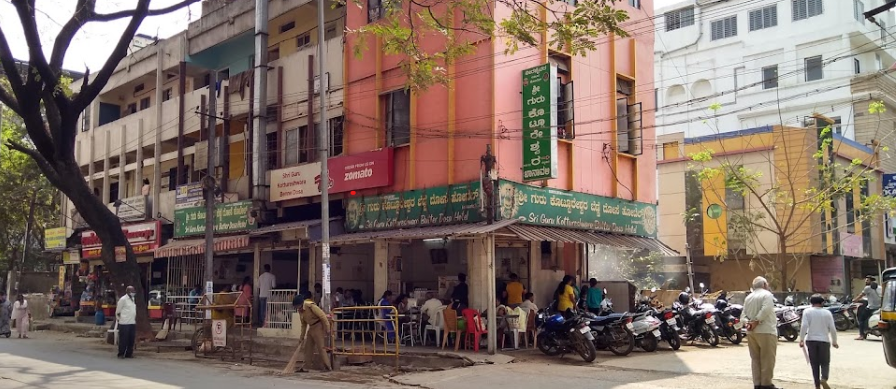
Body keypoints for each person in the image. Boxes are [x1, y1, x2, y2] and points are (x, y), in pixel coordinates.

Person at [740, 276, 779, 389]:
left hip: (751, 332)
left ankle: (757, 383)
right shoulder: (767, 295)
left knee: (755, 359)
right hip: (766, 331)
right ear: (764, 285)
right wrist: (756, 321)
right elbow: (766, 309)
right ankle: (766, 384)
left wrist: (748, 323)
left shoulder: (748, 298)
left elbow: (743, 314)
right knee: (767, 359)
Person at [799, 294, 839, 389]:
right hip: (824, 341)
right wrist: (834, 341)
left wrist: (801, 339)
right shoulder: (827, 313)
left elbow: (804, 326)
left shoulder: (807, 311)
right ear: (822, 303)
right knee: (825, 362)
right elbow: (833, 328)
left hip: (811, 340)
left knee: (814, 364)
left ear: (811, 303)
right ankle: (824, 378)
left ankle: (817, 386)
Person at [292, 293, 332, 371]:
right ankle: (307, 366)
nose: (297, 308)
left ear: (301, 304)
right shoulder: (300, 311)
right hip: (311, 328)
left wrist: (327, 328)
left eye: (297, 306)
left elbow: (322, 316)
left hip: (318, 326)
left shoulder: (310, 306)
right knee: (308, 348)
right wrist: (301, 338)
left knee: (321, 347)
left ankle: (328, 367)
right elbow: (303, 325)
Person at [853, 275, 881, 340]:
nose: (866, 281)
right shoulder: (880, 287)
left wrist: (854, 300)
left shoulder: (867, 288)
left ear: (871, 281)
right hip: (879, 307)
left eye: (867, 280)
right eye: (866, 280)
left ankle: (861, 335)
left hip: (871, 308)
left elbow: (861, 295)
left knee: (861, 319)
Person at [115, 286, 137, 358]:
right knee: (123, 339)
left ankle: (129, 353)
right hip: (124, 323)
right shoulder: (123, 299)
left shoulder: (133, 299)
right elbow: (118, 311)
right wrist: (119, 319)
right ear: (128, 292)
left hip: (132, 322)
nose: (133, 293)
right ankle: (121, 353)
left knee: (131, 339)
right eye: (132, 291)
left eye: (134, 291)